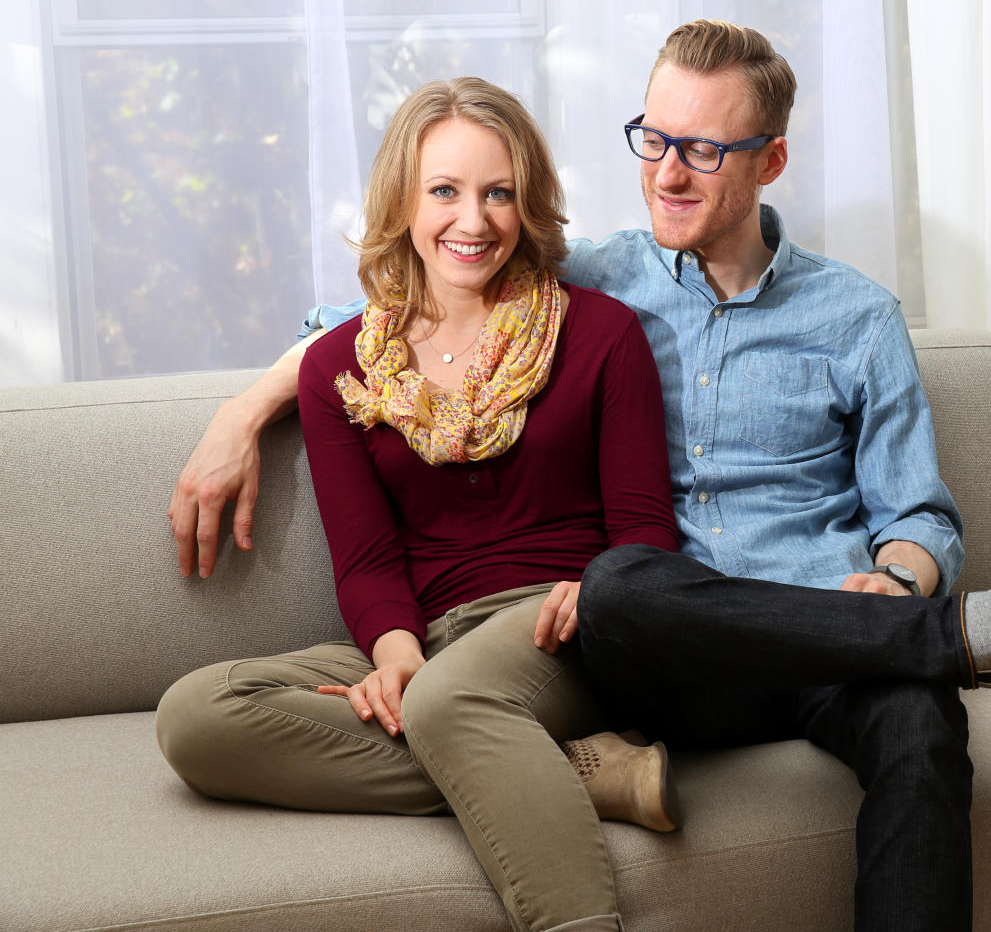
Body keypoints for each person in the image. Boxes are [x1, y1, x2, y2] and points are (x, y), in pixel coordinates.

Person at [168, 21, 991, 932]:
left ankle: (946, 647)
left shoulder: (852, 317)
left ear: (768, 162)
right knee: (620, 582)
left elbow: (915, 515)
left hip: (816, 633)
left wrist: (898, 581)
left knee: (918, 726)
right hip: (650, 645)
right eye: (654, 140)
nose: (669, 173)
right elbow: (391, 312)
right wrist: (242, 410)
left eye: (704, 150)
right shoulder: (596, 279)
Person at [157, 78, 682, 932]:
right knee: (198, 716)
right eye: (445, 190)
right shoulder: (339, 368)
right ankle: (574, 768)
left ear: (528, 203)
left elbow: (645, 532)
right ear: (403, 198)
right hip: (432, 635)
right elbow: (366, 559)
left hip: (560, 630)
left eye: (498, 193)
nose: (472, 222)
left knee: (447, 702)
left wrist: (602, 592)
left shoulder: (601, 334)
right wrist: (397, 655)